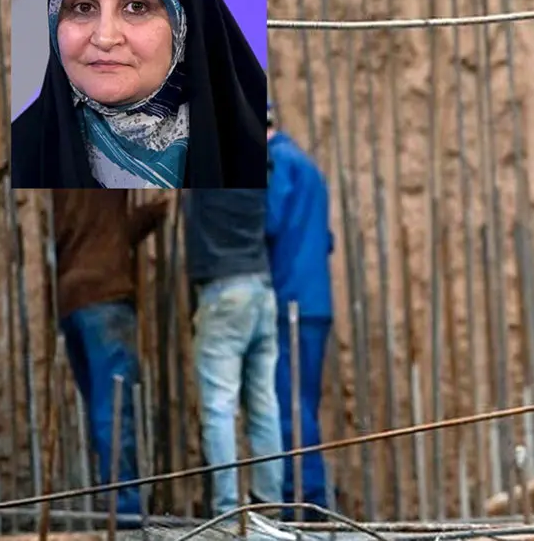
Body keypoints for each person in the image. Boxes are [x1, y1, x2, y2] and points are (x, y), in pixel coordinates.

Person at [11, 0, 266, 189]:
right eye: (82, 7)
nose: (105, 38)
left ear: (182, 23)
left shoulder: (264, 158)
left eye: (136, 6)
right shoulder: (14, 159)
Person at [52, 189, 168, 524]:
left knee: (100, 408)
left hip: (71, 298)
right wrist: (157, 211)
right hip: (106, 294)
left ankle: (113, 500)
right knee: (114, 408)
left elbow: (96, 232)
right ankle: (127, 510)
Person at [184, 188, 283, 516]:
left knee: (219, 407)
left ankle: (227, 510)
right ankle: (269, 506)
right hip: (261, 289)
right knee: (264, 406)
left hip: (224, 292)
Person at [264, 102, 336, 517]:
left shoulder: (275, 164)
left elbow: (270, 222)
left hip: (289, 300)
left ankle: (306, 501)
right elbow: (325, 238)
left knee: (291, 404)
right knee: (303, 400)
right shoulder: (309, 167)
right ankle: (309, 495)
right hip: (315, 301)